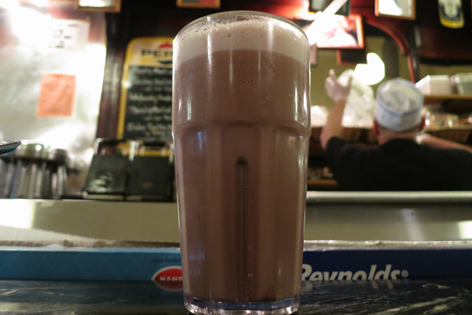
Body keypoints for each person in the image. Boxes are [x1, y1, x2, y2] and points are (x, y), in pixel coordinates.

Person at [320, 69, 472, 191]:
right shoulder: (457, 163)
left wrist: (341, 98)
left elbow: (327, 137)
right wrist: (426, 139)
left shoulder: (357, 162)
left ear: (375, 127)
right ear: (421, 125)